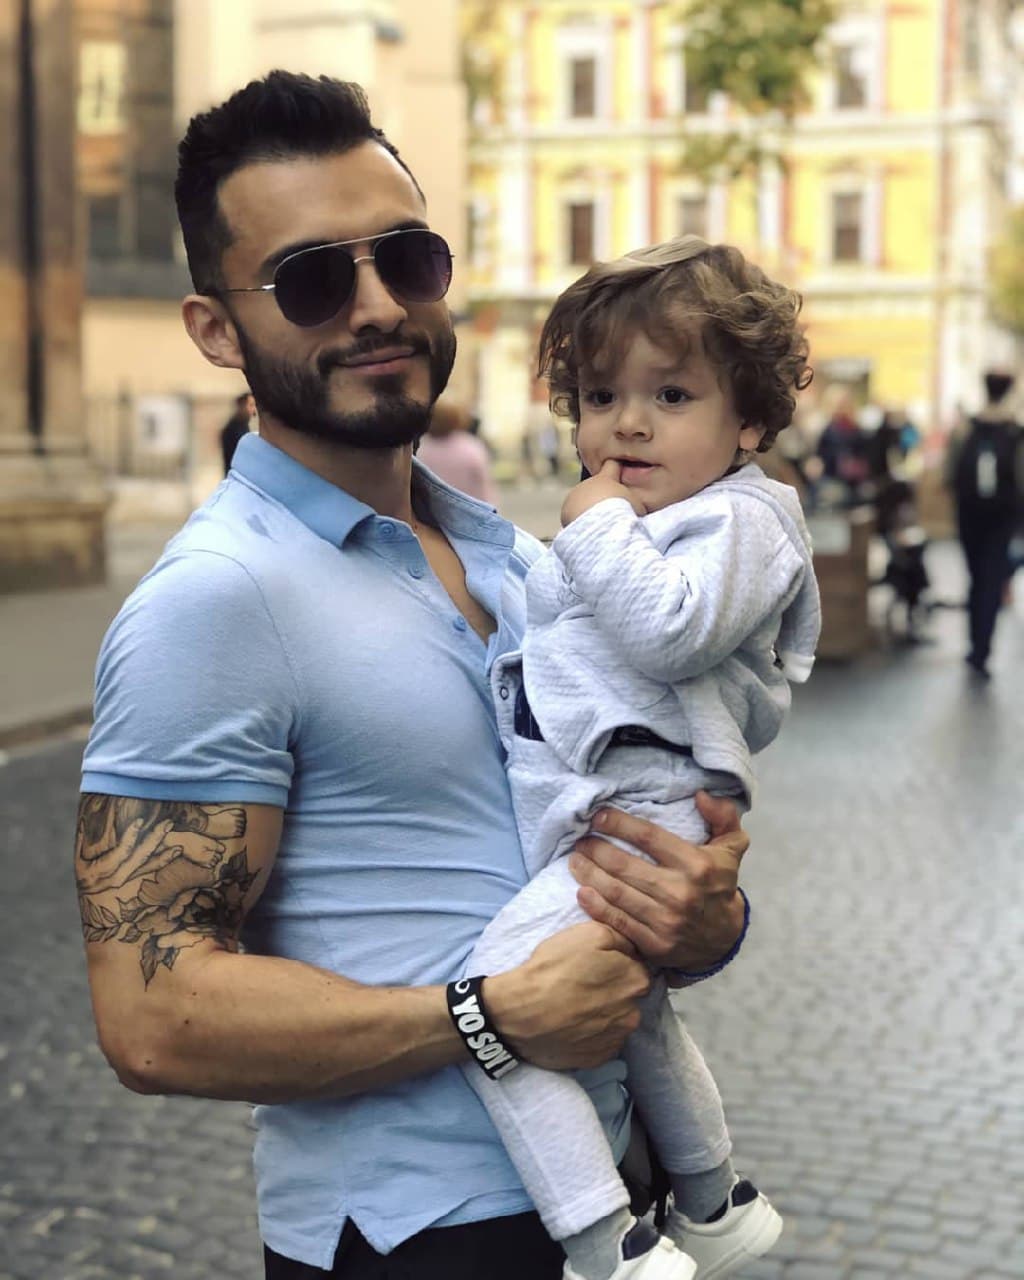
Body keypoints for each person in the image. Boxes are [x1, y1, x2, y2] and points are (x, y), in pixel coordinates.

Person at [73, 72, 751, 1280]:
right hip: (416, 1236)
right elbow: (151, 1014)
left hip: (620, 1192)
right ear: (216, 331)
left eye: (407, 259)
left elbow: (607, 874)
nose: (379, 306)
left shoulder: (525, 559)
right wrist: (486, 1014)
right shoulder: (215, 599)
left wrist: (702, 918)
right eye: (313, 280)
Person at [457, 236, 820, 1280]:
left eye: (670, 394)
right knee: (640, 1016)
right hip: (615, 807)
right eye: (602, 395)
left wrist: (594, 522)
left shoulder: (746, 519)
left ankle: (602, 1240)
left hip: (644, 806)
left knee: (491, 1005)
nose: (627, 423)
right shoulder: (676, 514)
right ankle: (713, 1198)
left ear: (747, 420)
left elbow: (670, 631)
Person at [946, 369, 1023, 678]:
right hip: (1002, 518)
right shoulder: (1015, 432)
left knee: (976, 577)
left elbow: (949, 472)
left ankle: (974, 644)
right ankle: (982, 648)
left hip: (969, 515)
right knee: (992, 579)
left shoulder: (966, 428)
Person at [416, 398, 498, 504]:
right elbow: (484, 486)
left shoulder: (421, 447)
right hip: (468, 509)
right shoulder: (471, 448)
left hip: (431, 509)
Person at [220, 389, 255, 473]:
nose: (253, 409)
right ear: (242, 406)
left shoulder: (243, 426)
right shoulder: (233, 429)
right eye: (250, 405)